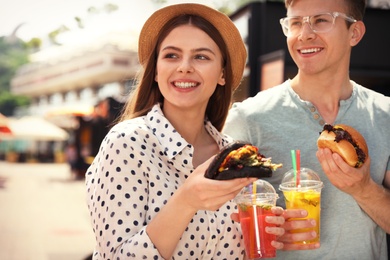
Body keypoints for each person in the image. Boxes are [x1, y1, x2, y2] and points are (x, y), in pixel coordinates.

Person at [85, 3, 287, 259]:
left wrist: (266, 237)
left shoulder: (234, 157)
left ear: (222, 73)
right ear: (156, 71)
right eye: (171, 55)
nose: (184, 67)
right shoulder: (127, 143)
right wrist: (186, 201)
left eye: (201, 56)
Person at [224, 0, 390, 259]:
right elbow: (216, 227)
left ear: (354, 33)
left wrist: (364, 189)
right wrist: (266, 230)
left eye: (321, 20)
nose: (304, 34)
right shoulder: (248, 119)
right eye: (295, 22)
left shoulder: (385, 115)